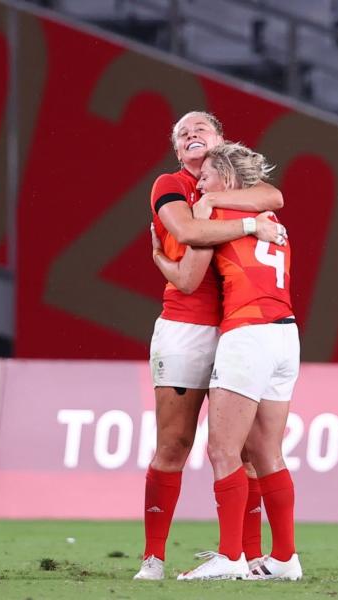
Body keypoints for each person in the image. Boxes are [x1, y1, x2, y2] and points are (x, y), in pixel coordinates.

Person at [135, 111, 286, 581]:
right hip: (188, 326)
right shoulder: (169, 184)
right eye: (182, 134)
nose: (191, 134)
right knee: (175, 444)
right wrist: (247, 227)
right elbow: (189, 233)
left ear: (221, 142)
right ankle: (154, 558)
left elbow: (275, 195)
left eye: (200, 128)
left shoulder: (228, 190)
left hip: (241, 329)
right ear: (179, 153)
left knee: (245, 450)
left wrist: (218, 202)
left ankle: (249, 556)